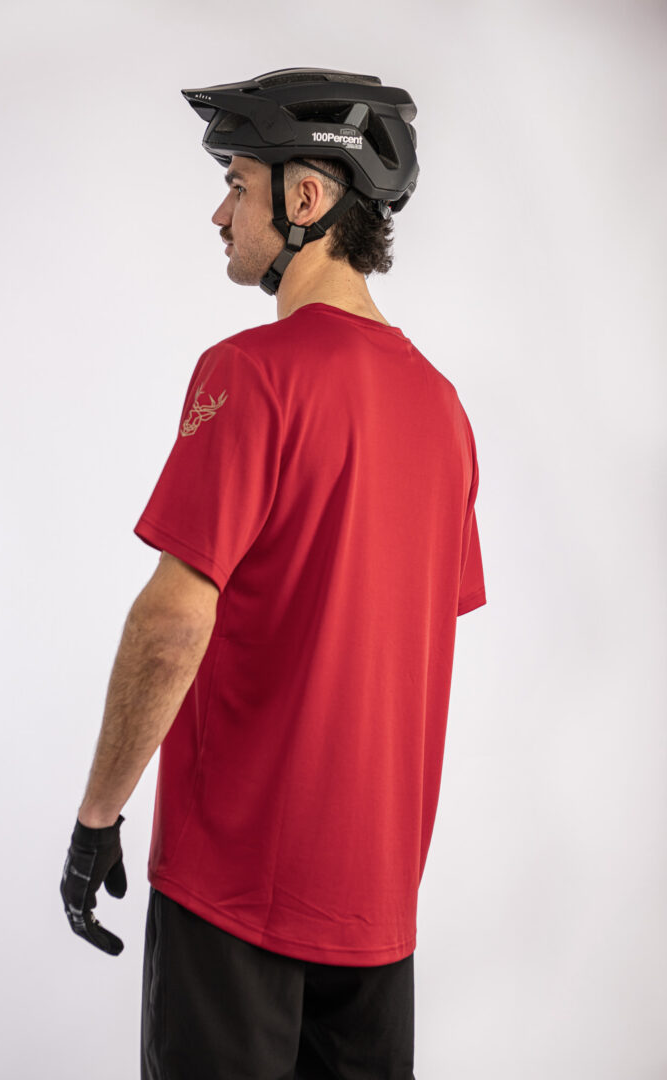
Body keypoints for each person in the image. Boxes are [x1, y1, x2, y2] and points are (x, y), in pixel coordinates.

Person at [60, 66, 487, 1079]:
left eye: (237, 184)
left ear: (306, 198)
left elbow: (170, 624)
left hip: (234, 893)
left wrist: (96, 819)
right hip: (376, 913)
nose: (220, 213)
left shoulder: (250, 374)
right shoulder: (445, 411)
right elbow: (411, 631)